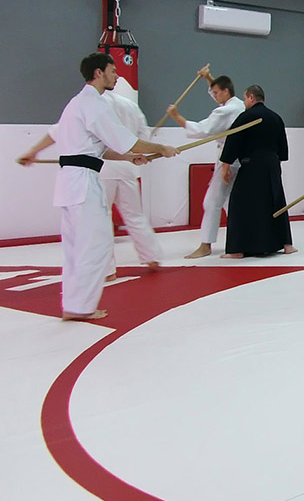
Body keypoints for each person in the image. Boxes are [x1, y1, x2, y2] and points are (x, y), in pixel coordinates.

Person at [17, 52, 178, 320]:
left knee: (75, 247)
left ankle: (74, 305)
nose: (116, 76)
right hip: (83, 182)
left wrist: (129, 157)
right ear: (98, 73)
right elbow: (125, 140)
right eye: (112, 71)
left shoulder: (76, 103)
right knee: (97, 244)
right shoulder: (94, 104)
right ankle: (80, 307)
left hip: (70, 182)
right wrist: (162, 147)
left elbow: (100, 147)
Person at [166, 66, 246, 258]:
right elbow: (220, 97)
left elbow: (203, 129)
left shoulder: (226, 111)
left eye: (216, 92)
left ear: (225, 91)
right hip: (238, 158)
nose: (214, 95)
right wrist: (208, 78)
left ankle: (206, 244)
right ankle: (243, 240)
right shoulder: (238, 105)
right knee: (230, 203)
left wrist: (177, 116)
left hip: (229, 159)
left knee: (211, 202)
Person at [218, 85, 296, 258]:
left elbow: (233, 139)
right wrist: (275, 164)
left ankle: (237, 250)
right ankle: (287, 244)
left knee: (239, 202)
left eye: (245, 98)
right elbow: (282, 147)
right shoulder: (275, 117)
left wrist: (225, 165)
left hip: (252, 163)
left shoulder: (246, 117)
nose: (244, 102)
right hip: (272, 163)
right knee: (275, 200)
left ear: (251, 97)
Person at [101, 83, 162, 280]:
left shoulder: (98, 103)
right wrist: (137, 153)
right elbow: (144, 134)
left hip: (104, 167)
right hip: (128, 168)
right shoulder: (131, 106)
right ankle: (151, 256)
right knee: (135, 215)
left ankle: (107, 269)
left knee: (102, 218)